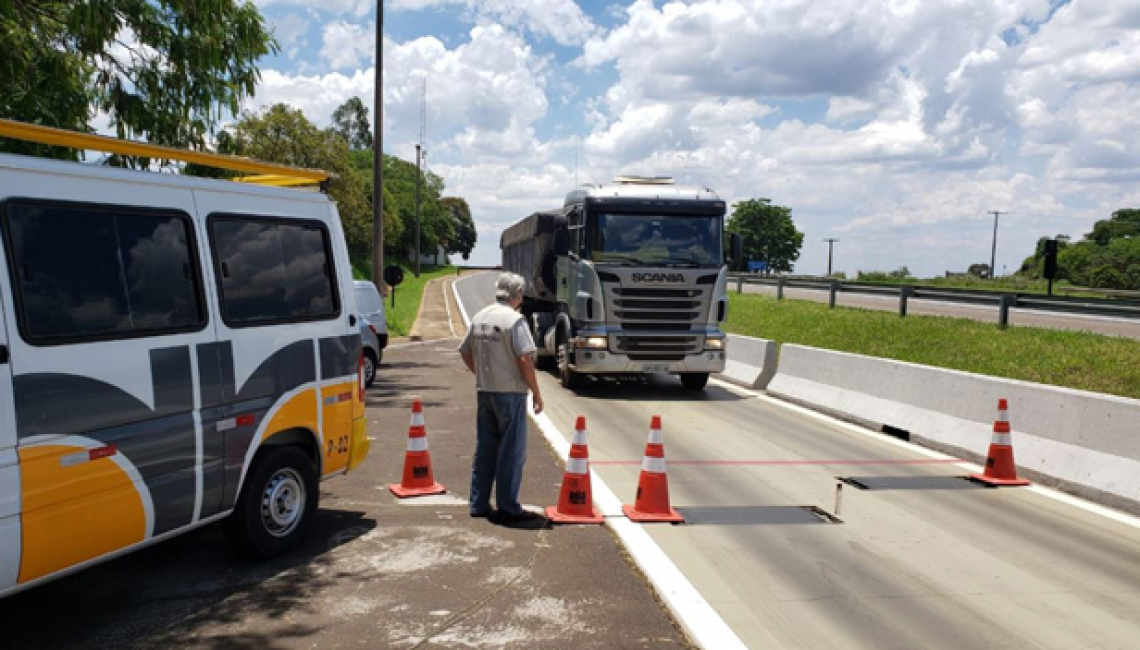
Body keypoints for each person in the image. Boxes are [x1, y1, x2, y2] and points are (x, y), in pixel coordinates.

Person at [458, 272, 545, 523]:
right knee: (511, 451)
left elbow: (464, 351)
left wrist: (481, 374)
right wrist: (537, 393)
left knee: (485, 448)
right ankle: (508, 506)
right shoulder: (515, 321)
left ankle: (478, 503)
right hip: (511, 393)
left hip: (485, 391)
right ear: (517, 295)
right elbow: (525, 359)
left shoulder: (480, 317)